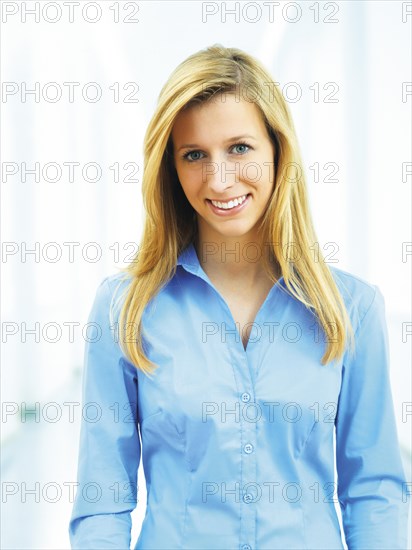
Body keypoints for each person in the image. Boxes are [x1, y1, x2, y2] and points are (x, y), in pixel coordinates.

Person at [68, 44, 409, 549]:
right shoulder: (124, 309)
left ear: (278, 149)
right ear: (171, 168)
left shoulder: (352, 308)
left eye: (240, 148)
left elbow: (375, 490)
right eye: (194, 155)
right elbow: (103, 502)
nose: (220, 178)